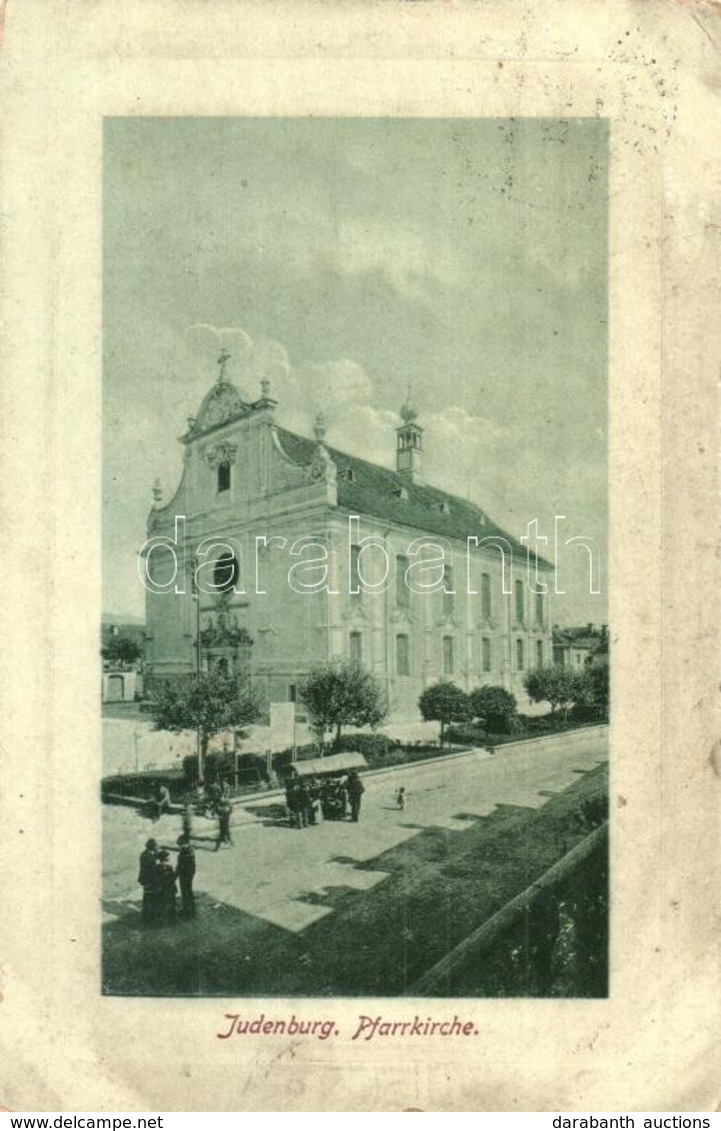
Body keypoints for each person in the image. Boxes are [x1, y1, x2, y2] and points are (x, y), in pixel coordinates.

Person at [137, 838, 159, 925]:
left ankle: (150, 916)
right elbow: (146, 869)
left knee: (151, 897)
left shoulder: (150, 853)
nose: (157, 847)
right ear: (152, 847)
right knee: (148, 898)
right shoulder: (145, 855)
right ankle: (147, 917)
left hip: (151, 879)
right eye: (155, 846)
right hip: (147, 879)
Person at [175, 834, 197, 918]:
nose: (179, 847)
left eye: (180, 845)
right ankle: (187, 910)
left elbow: (181, 865)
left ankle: (189, 913)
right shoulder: (187, 849)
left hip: (186, 875)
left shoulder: (187, 852)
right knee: (186, 893)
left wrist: (176, 875)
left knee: (186, 893)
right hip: (186, 874)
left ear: (184, 843)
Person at [155, 849, 177, 923]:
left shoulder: (157, 867)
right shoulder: (169, 867)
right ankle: (172, 918)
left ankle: (161, 918)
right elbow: (173, 877)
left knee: (161, 903)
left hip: (161, 888)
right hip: (169, 888)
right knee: (171, 902)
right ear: (165, 858)